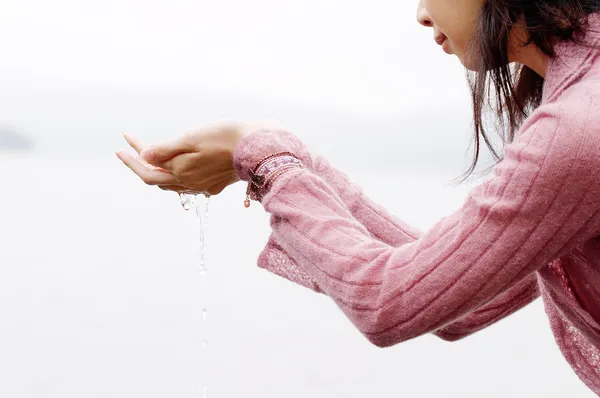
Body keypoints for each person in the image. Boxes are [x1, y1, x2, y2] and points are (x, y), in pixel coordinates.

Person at [117, 0, 600, 394]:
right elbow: (460, 299)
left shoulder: (576, 129)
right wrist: (285, 158)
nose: (421, 15)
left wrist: (270, 160)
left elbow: (388, 302)